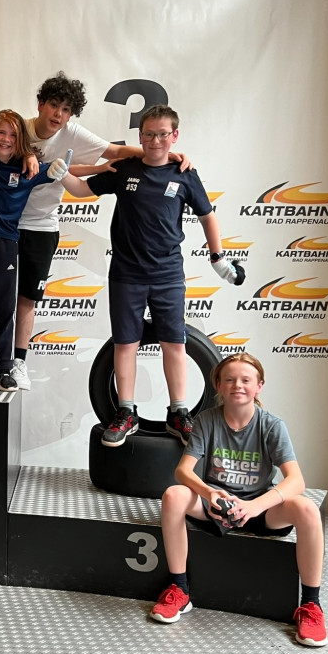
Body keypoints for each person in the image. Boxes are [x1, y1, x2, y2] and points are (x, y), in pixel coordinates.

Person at [58, 104, 243, 446]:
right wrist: (60, 174)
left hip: (167, 274)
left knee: (174, 343)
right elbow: (81, 190)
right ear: (140, 136)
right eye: (149, 134)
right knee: (125, 344)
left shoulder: (185, 174)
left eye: (162, 134)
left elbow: (207, 215)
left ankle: (178, 413)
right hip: (126, 274)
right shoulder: (125, 168)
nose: (156, 141)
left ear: (175, 136)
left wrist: (218, 258)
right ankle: (126, 411)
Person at [8, 73, 189, 390]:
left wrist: (163, 155)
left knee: (27, 299)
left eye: (66, 109)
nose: (58, 114)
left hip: (42, 225)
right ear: (40, 104)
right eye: (53, 105)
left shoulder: (72, 133)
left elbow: (114, 152)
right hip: (4, 223)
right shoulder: (15, 127)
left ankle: (18, 363)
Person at [150, 353, 328, 648]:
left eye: (246, 380)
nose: (238, 385)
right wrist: (209, 493)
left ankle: (311, 606)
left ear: (259, 386)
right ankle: (179, 589)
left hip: (260, 508)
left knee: (307, 508)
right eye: (230, 379)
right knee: (173, 495)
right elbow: (183, 471)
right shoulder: (206, 420)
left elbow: (296, 481)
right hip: (216, 506)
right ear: (218, 385)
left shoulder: (272, 425)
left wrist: (256, 506)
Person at [0, 109, 103, 392]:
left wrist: (67, 168)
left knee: (5, 309)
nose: (6, 139)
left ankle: (5, 370)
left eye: (13, 135)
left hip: (6, 244)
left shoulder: (29, 168)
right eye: (0, 132)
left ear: (21, 141)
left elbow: (61, 171)